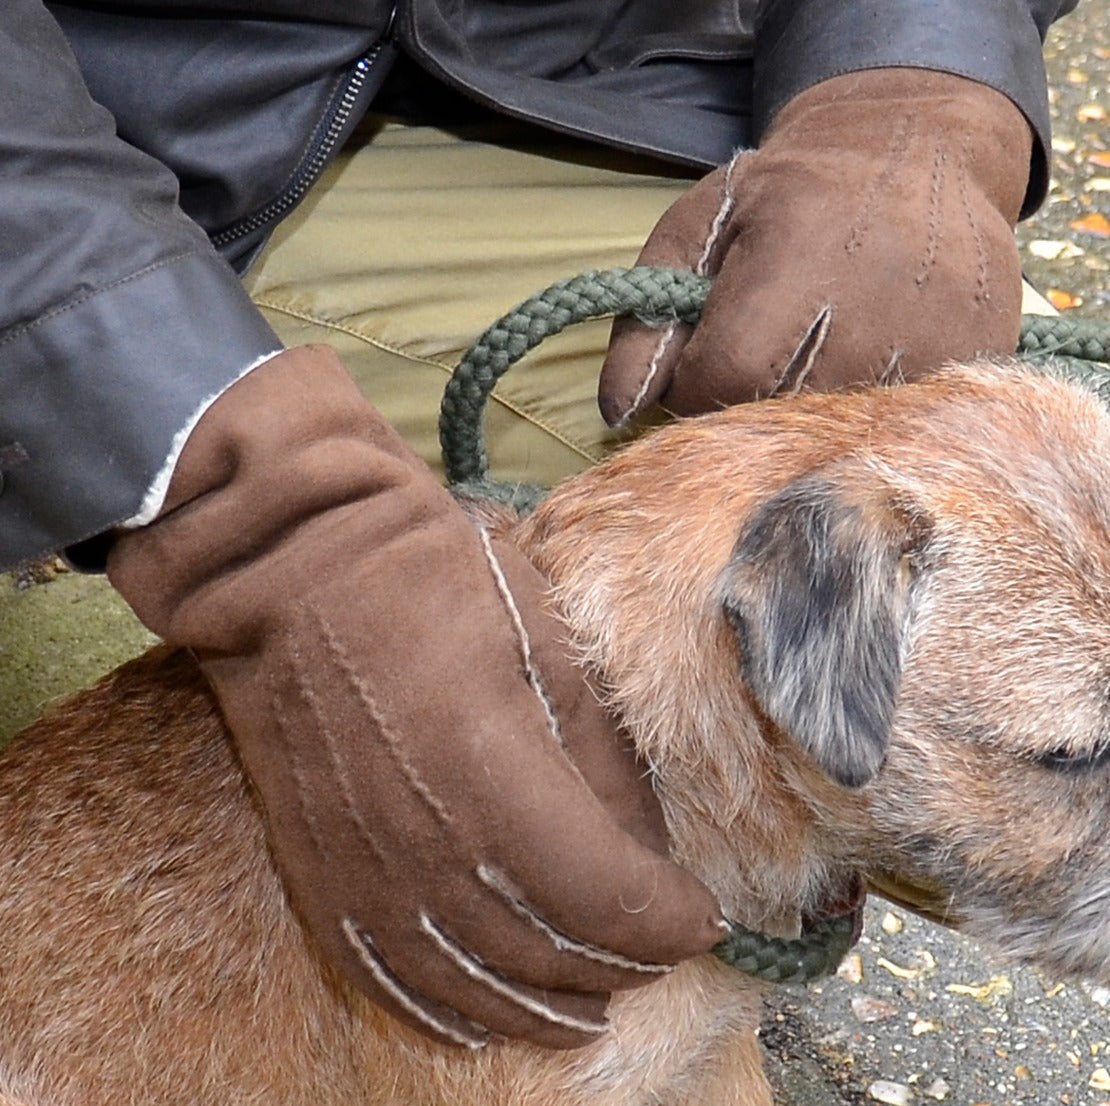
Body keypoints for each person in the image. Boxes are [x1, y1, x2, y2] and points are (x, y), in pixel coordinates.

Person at [0, 0, 1078, 1050]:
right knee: (670, 617)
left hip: (580, 84)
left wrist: (914, 90)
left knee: (1032, 510)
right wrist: (269, 519)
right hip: (100, 157)